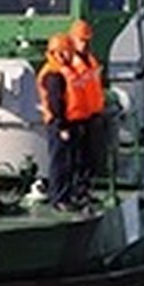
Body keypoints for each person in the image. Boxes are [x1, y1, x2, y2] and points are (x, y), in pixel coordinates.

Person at [66, 18, 106, 207]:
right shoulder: (69, 64)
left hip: (92, 115)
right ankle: (76, 191)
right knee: (77, 158)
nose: (84, 43)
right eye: (81, 40)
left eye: (86, 40)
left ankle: (86, 189)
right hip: (77, 117)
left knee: (91, 157)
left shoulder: (90, 60)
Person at [36, 32, 77, 209]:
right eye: (67, 51)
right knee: (60, 162)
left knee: (65, 160)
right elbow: (55, 103)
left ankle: (65, 195)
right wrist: (62, 126)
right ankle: (59, 198)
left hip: (61, 122)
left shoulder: (57, 70)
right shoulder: (53, 75)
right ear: (58, 53)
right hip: (58, 124)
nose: (71, 55)